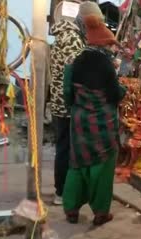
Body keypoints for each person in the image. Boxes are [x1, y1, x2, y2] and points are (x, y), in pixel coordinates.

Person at [62, 14, 126, 226]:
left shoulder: (75, 62)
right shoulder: (106, 66)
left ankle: (71, 209)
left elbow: (67, 93)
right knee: (102, 166)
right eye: (110, 45)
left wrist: (78, 105)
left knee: (77, 164)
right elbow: (115, 94)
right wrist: (123, 89)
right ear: (105, 45)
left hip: (80, 121)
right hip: (103, 122)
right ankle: (100, 213)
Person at [49, 2, 104, 205]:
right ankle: (63, 192)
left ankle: (63, 191)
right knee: (68, 149)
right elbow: (76, 73)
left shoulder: (63, 36)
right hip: (68, 104)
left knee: (64, 146)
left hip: (59, 102)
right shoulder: (72, 39)